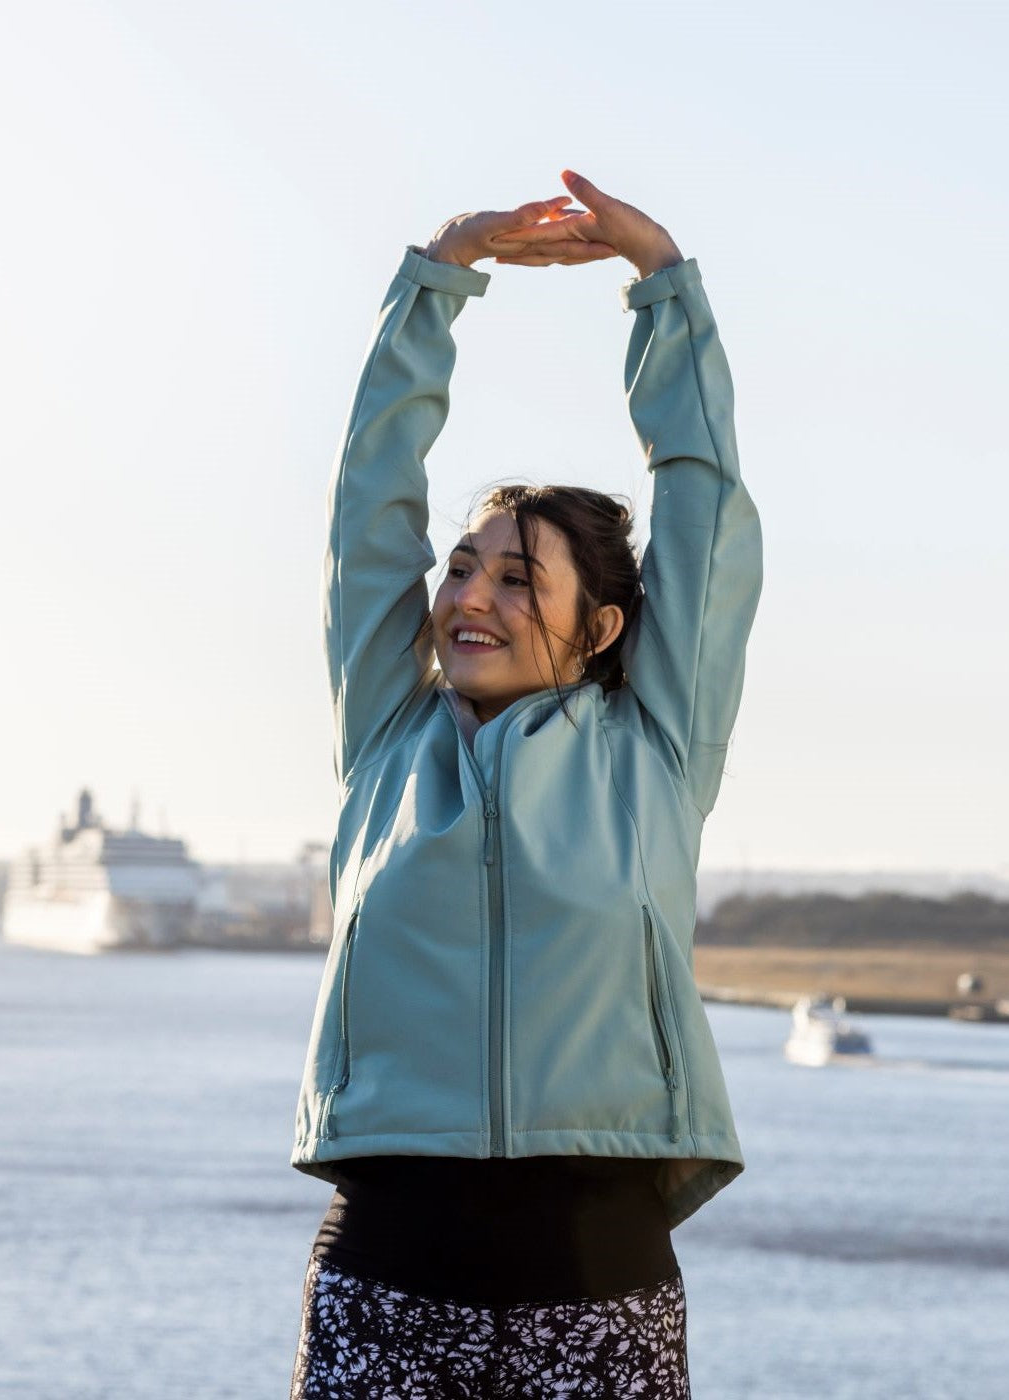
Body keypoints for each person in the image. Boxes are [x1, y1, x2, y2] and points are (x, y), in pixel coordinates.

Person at [288, 169, 763, 1399]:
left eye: (515, 578)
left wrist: (661, 284)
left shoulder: (652, 746)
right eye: (461, 568)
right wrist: (436, 285)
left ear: (598, 626)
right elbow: (362, 514)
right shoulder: (390, 736)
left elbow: (703, 509)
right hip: (385, 1278)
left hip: (596, 1284)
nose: (469, 597)